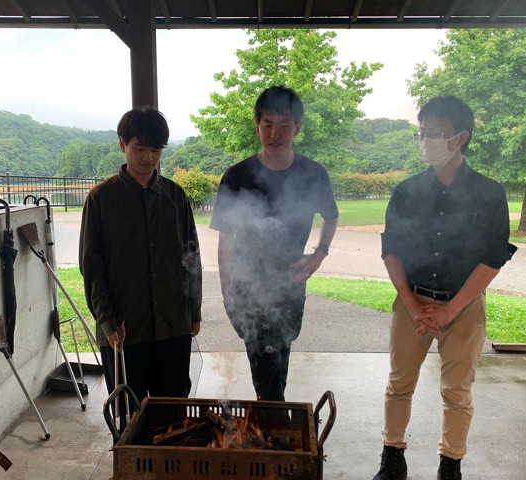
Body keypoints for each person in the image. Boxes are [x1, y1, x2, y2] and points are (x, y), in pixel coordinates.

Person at [373, 96, 517, 480]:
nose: (426, 141)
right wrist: (412, 306)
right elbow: (391, 250)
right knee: (399, 383)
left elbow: (493, 258)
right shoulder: (406, 191)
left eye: (435, 133)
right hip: (412, 301)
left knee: (457, 391)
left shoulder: (489, 193)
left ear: (460, 137)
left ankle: (450, 464)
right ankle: (392, 458)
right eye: (422, 133)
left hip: (464, 305)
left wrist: (450, 310)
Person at [210, 86, 339, 402]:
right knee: (268, 371)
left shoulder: (313, 174)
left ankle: (272, 419)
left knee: (278, 359)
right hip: (248, 289)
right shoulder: (237, 176)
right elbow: (225, 240)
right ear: (257, 127)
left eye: (283, 125)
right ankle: (273, 422)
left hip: (290, 284)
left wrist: (319, 254)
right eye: (267, 124)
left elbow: (331, 215)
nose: (274, 134)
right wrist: (227, 292)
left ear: (297, 127)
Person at [79, 106, 202, 406]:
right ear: (123, 144)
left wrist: (194, 310)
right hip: (123, 328)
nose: (148, 158)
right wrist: (106, 320)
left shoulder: (175, 196)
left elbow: (192, 258)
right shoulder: (101, 199)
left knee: (172, 410)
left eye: (156, 150)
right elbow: (92, 268)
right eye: (140, 148)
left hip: (173, 324)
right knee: (129, 412)